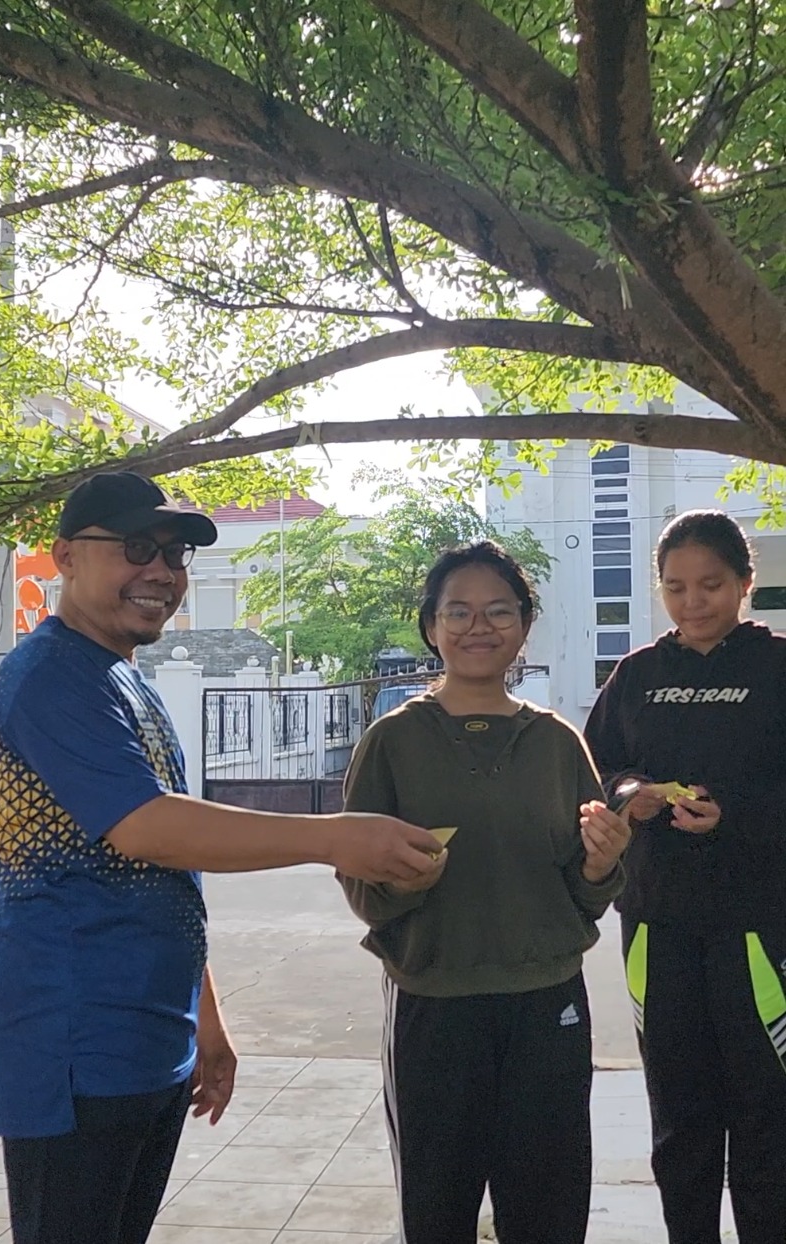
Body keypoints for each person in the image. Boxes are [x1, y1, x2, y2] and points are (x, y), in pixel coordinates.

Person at [0, 471, 441, 1244]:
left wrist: (207, 1019)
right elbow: (146, 828)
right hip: (73, 1045)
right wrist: (333, 836)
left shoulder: (127, 679)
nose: (161, 572)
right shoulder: (49, 676)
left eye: (174, 555)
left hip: (149, 1041)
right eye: (136, 549)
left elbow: (168, 869)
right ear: (65, 556)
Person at [337, 540, 630, 1244]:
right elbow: (361, 887)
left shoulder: (557, 742)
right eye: (458, 611)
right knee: (437, 1211)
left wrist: (602, 864)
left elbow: (586, 891)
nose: (479, 626)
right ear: (430, 626)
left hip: (548, 1003)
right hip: (435, 1006)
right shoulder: (392, 741)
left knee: (550, 1210)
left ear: (525, 624)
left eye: (499, 610)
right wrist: (403, 881)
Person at [584, 509, 786, 1244]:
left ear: (744, 583)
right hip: (657, 922)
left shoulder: (776, 667)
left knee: (767, 1112)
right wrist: (629, 793)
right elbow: (597, 767)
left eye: (711, 584)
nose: (693, 602)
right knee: (678, 1112)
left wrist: (734, 814)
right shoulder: (638, 674)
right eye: (675, 587)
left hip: (759, 926)